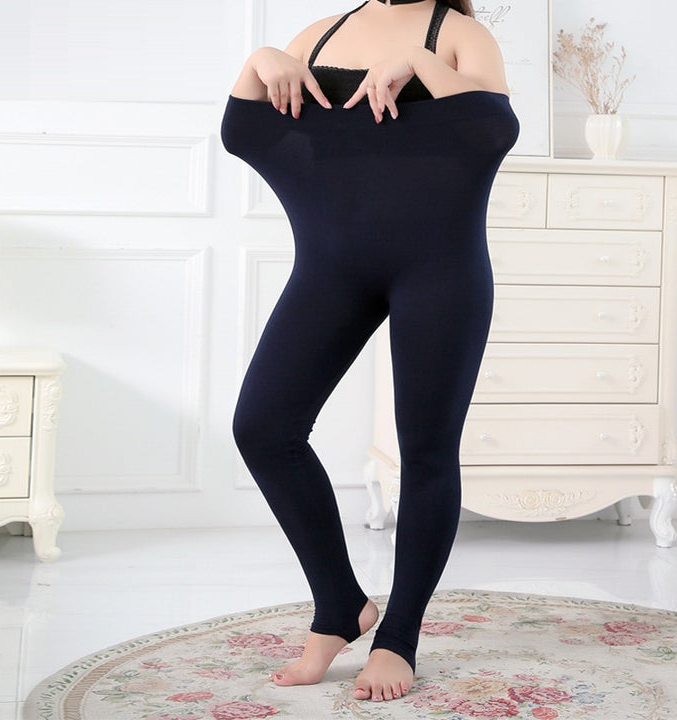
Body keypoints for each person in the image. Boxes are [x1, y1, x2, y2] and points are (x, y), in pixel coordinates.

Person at [222, 0, 518, 703]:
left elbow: (491, 131)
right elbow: (246, 133)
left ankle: (398, 637)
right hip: (331, 270)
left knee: (426, 451)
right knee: (262, 428)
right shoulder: (316, 33)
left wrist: (419, 63)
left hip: (439, 272)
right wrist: (258, 62)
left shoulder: (459, 34)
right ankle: (339, 607)